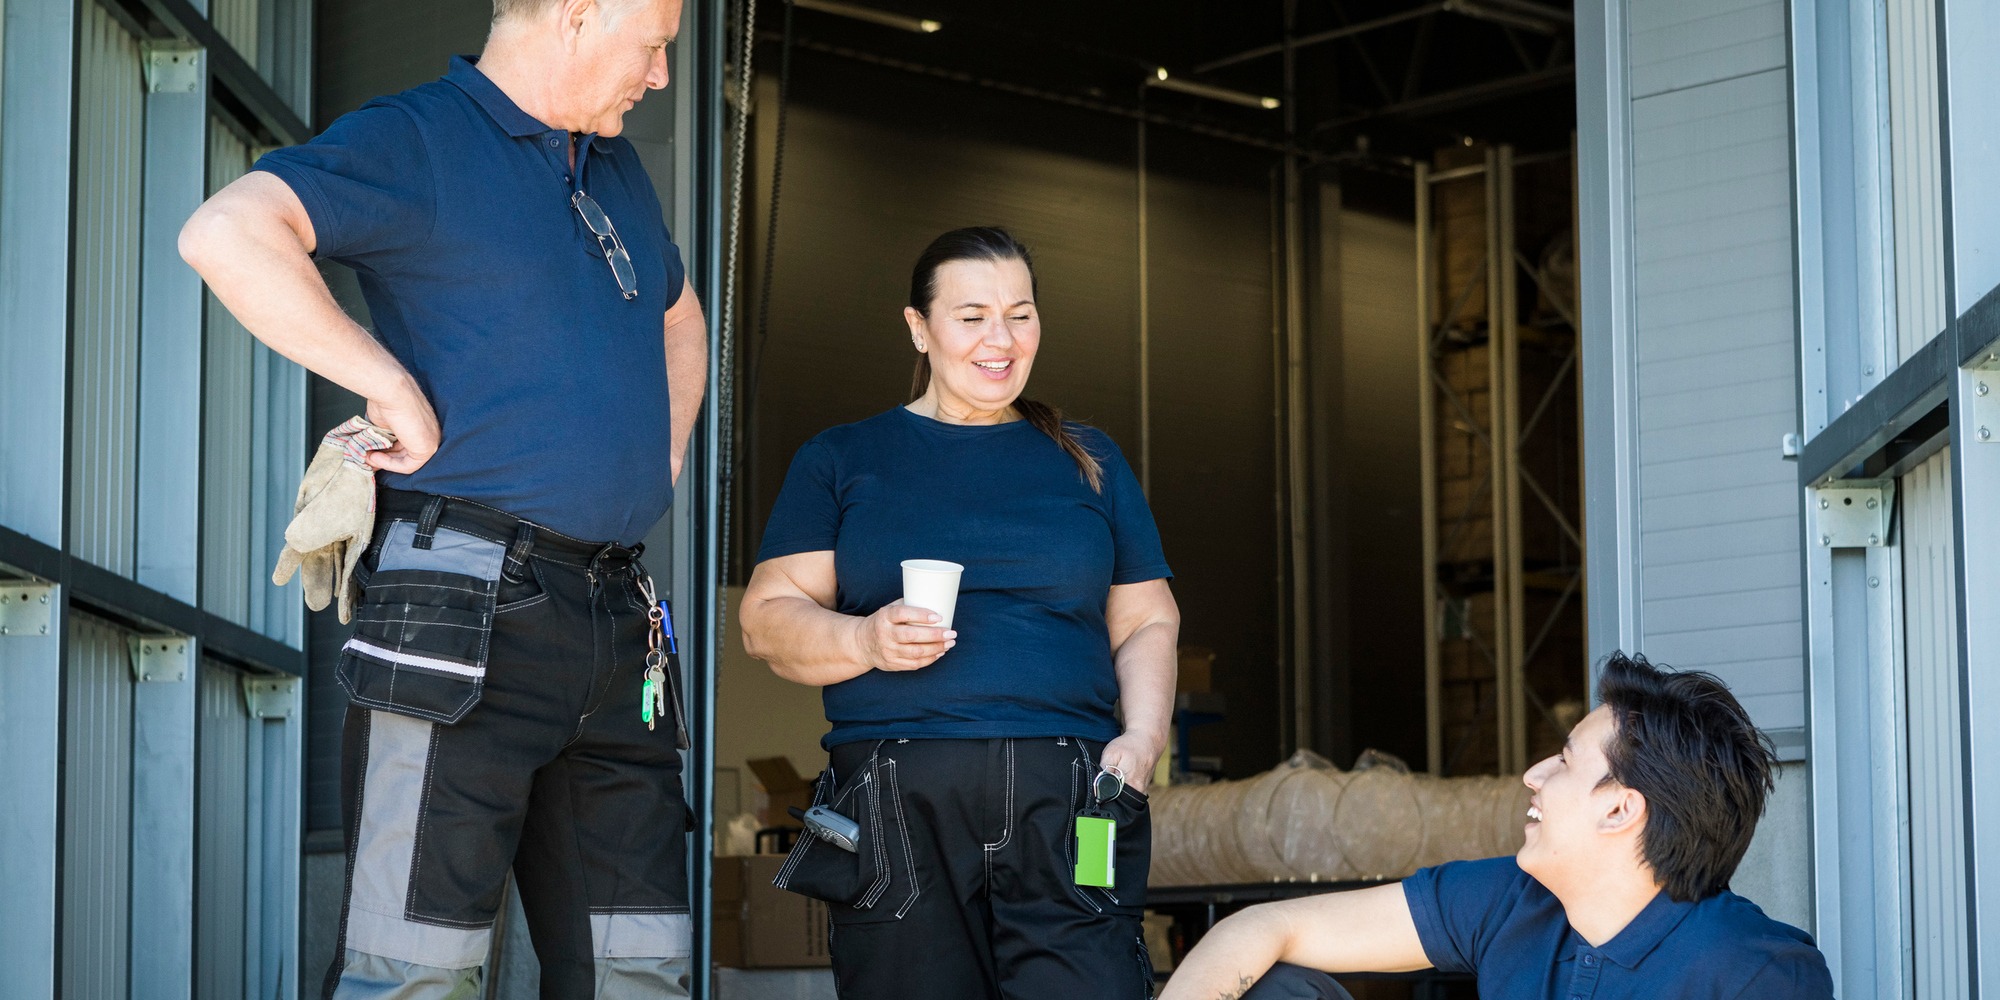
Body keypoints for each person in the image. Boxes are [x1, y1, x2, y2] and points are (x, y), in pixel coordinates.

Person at [178, 0, 707, 994]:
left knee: (641, 975)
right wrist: (387, 383)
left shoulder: (616, 170)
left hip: (616, 616)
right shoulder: (416, 135)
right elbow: (227, 233)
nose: (661, 75)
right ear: (581, 15)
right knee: (414, 973)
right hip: (460, 598)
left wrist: (658, 459)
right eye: (657, 45)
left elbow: (680, 314)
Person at [738, 226, 1181, 998]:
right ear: (919, 327)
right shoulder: (845, 457)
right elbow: (766, 618)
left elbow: (1146, 619)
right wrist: (865, 637)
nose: (1000, 340)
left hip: (1070, 793)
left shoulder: (1089, 458)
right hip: (896, 795)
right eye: (972, 316)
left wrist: (1142, 741)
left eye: (1021, 314)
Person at [1160, 653, 1834, 1000]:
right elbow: (1266, 928)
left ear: (1620, 810)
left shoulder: (1756, 975)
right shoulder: (1514, 901)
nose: (1533, 776)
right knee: (1278, 990)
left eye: (1564, 762)